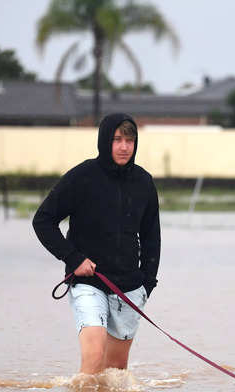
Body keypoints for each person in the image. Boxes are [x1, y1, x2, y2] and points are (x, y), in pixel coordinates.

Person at [33, 113, 160, 375]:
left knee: (115, 372)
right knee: (94, 356)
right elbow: (42, 221)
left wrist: (147, 283)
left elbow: (151, 237)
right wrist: (73, 258)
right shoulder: (82, 177)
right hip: (88, 283)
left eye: (130, 140)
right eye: (117, 140)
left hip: (131, 288)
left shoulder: (144, 182)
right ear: (104, 141)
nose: (124, 147)